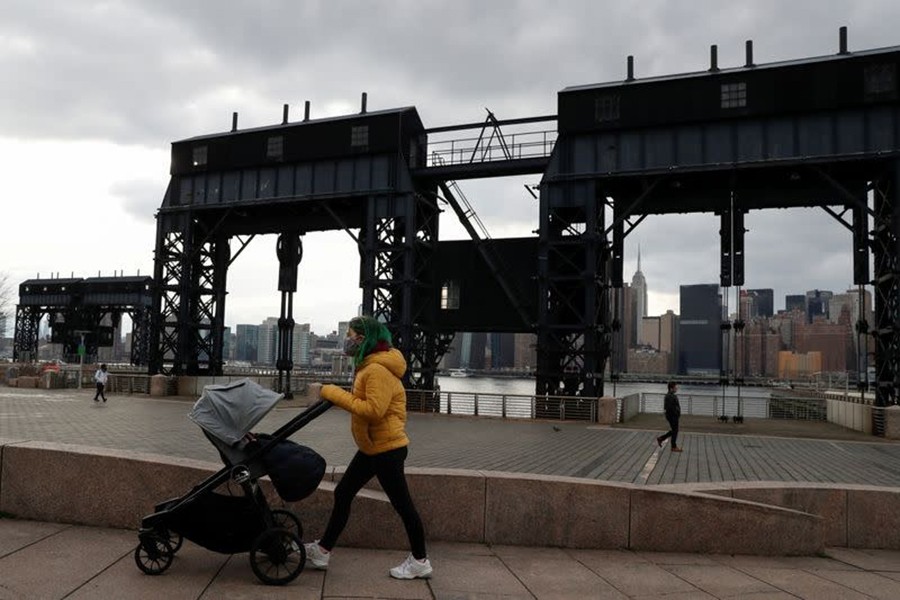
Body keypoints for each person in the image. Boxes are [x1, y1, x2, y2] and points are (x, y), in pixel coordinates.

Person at [304, 316, 432, 580]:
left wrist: (330, 392)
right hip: (373, 447)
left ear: (364, 339)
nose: (348, 340)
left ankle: (420, 560)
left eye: (351, 335)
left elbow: (374, 410)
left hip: (386, 449)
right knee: (343, 492)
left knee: (403, 505)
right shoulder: (371, 365)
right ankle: (323, 550)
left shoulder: (376, 370)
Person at [656, 381, 682, 452]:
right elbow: (670, 408)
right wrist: (676, 414)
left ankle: (661, 438)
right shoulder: (670, 396)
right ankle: (673, 447)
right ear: (671, 388)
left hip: (672, 416)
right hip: (672, 416)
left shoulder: (670, 395)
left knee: (674, 430)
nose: (676, 389)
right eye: (675, 387)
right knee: (675, 431)